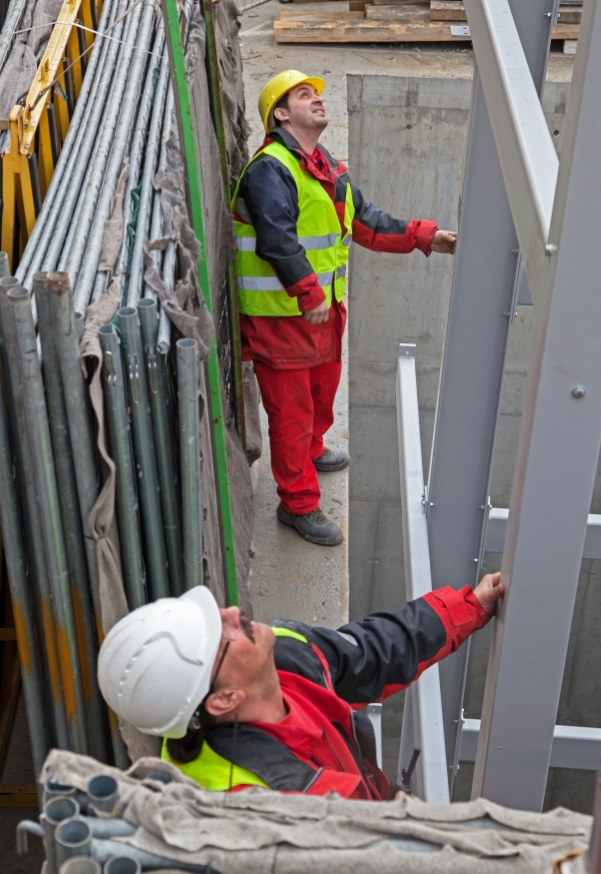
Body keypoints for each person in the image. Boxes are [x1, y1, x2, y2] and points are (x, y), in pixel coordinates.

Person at [233, 70, 457, 547]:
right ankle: (297, 505)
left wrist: (424, 237)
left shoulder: (325, 166)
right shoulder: (270, 169)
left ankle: (312, 451)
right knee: (290, 416)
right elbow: (277, 237)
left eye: (317, 94)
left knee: (320, 397)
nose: (317, 100)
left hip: (322, 319)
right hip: (284, 320)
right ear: (280, 114)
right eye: (303, 95)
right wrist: (309, 293)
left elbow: (366, 222)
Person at [98, 573, 503, 800]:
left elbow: (369, 655)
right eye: (222, 633)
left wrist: (469, 608)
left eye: (218, 613)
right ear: (224, 698)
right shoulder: (250, 803)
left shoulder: (286, 650)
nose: (234, 612)